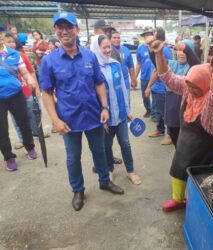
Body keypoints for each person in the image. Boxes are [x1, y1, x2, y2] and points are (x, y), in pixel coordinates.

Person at [40, 12, 124, 211]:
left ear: (77, 30)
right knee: (73, 157)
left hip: (94, 116)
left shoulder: (89, 56)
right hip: (68, 120)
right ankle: (78, 190)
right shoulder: (49, 61)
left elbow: (99, 83)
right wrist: (55, 120)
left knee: (100, 151)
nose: (65, 31)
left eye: (69, 27)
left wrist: (104, 107)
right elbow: (46, 93)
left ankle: (104, 181)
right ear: (55, 32)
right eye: (60, 27)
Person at [150, 39, 213, 212]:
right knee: (179, 167)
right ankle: (177, 199)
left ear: (205, 83)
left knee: (212, 181)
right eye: (189, 85)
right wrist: (158, 54)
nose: (191, 90)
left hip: (212, 147)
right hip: (188, 143)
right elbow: (167, 77)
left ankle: (204, 204)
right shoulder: (187, 88)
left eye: (195, 87)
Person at [91, 34, 142, 185]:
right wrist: (100, 118)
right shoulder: (93, 69)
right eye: (104, 47)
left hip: (120, 114)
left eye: (109, 47)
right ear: (96, 48)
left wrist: (127, 110)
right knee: (106, 146)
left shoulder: (115, 64)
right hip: (105, 117)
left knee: (125, 144)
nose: (108, 50)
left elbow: (123, 89)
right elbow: (94, 95)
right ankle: (109, 170)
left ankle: (130, 171)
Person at [0, 24, 38, 171]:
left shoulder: (14, 54)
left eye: (1, 32)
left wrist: (30, 79)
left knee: (24, 122)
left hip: (16, 94)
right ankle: (9, 157)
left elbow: (25, 72)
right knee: (2, 129)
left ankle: (30, 147)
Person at [91, 20, 123, 166]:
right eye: (105, 30)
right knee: (101, 140)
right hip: (99, 104)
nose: (108, 33)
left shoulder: (113, 50)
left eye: (109, 31)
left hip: (112, 99)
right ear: (97, 30)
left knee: (107, 140)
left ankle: (108, 159)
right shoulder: (89, 54)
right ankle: (99, 164)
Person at [5, 33, 44, 150]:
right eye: (7, 41)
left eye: (12, 41)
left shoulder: (21, 55)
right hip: (12, 95)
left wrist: (36, 88)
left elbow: (31, 72)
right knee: (16, 119)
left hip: (26, 91)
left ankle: (37, 133)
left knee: (32, 113)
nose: (10, 43)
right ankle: (22, 139)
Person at [165, 42, 200, 147]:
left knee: (188, 144)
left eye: (185, 51)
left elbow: (196, 65)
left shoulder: (194, 68)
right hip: (172, 110)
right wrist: (154, 52)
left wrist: (187, 49)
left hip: (187, 114)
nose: (182, 53)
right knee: (175, 138)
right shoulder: (171, 64)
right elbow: (158, 66)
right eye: (179, 50)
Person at [145, 27, 173, 142]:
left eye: (151, 41)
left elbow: (158, 71)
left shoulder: (162, 50)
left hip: (162, 87)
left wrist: (148, 87)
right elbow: (155, 69)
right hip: (158, 87)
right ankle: (160, 129)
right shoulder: (158, 49)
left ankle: (170, 135)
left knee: (165, 112)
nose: (149, 44)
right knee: (160, 112)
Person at [110, 31, 137, 98]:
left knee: (126, 103)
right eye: (114, 38)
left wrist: (133, 80)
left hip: (125, 82)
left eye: (118, 38)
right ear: (110, 39)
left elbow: (131, 66)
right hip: (112, 82)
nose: (116, 39)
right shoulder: (107, 50)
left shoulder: (126, 50)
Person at [136, 27, 154, 118]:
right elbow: (138, 64)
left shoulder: (156, 46)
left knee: (155, 97)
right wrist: (134, 78)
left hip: (155, 78)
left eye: (149, 34)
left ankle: (155, 114)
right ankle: (148, 110)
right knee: (145, 96)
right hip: (144, 77)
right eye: (146, 35)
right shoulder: (140, 48)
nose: (147, 36)